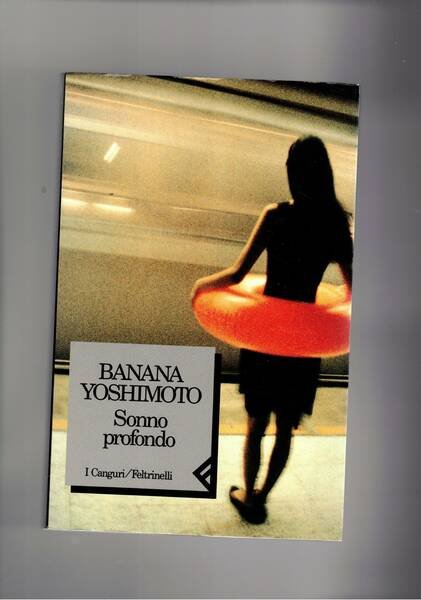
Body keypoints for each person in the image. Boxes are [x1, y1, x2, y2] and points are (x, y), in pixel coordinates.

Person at [191, 135, 353, 524]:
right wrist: (334, 310)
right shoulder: (335, 224)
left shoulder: (275, 215)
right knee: (284, 428)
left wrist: (201, 287)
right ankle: (262, 496)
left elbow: (237, 274)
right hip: (303, 342)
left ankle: (248, 497)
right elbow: (354, 287)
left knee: (256, 423)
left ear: (292, 172)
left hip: (264, 338)